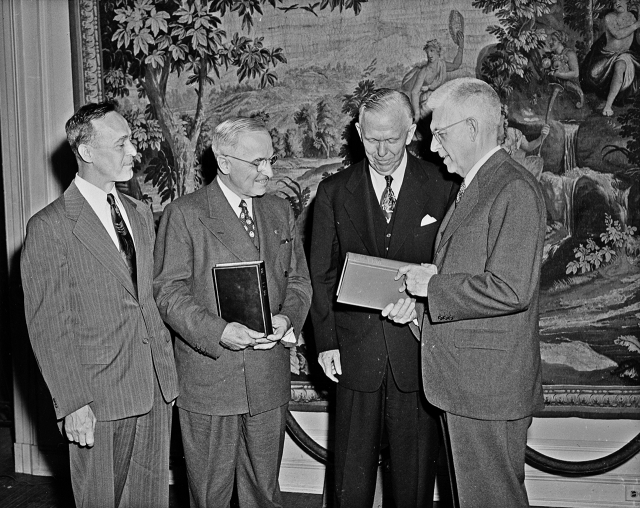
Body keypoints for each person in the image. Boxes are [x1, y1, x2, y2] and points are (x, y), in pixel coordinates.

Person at [389, 78, 546, 507]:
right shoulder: (480, 185)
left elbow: (512, 289)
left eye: (440, 133)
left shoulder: (512, 188)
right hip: (468, 384)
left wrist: (433, 287)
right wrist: (421, 312)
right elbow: (473, 280)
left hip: (487, 390)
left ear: (473, 128)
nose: (433, 146)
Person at [21, 102, 179, 507]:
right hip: (98, 400)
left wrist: (168, 376)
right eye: (122, 144)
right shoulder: (49, 227)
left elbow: (147, 300)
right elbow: (49, 327)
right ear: (87, 152)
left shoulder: (140, 214)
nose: (134, 153)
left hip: (153, 389)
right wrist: (73, 403)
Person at [309, 88, 457, 508]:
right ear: (358, 132)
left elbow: (452, 269)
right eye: (371, 139)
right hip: (355, 355)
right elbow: (319, 274)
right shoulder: (334, 192)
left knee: (413, 485)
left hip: (416, 353)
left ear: (411, 132)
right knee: (350, 485)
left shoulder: (443, 186)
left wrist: (425, 304)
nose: (381, 150)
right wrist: (326, 343)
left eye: (392, 139)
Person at [153, 117, 312, 508]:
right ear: (224, 162)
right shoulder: (185, 214)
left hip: (267, 376)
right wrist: (218, 331)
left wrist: (287, 318)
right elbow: (168, 293)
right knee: (210, 495)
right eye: (257, 162)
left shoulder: (279, 211)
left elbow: (299, 283)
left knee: (264, 494)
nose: (269, 172)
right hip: (211, 378)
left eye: (271, 160)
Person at [580, 0, 640, 116]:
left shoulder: (633, 17)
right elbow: (618, 35)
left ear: (627, 1)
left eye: (620, 0)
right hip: (607, 54)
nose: (617, 2)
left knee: (620, 66)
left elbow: (638, 40)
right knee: (593, 74)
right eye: (614, 1)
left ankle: (608, 106)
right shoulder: (609, 17)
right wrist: (636, 25)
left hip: (625, 54)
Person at [401, 36, 464, 121]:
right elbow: (414, 92)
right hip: (426, 102)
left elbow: (456, 65)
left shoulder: (442, 65)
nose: (429, 55)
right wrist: (417, 113)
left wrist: (461, 47)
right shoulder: (424, 71)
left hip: (439, 99)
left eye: (432, 51)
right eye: (427, 52)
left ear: (438, 52)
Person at [498, 105, 550, 180]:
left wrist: (542, 137)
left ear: (504, 118)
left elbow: (528, 147)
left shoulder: (515, 134)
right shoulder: (485, 137)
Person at [547, 30, 585, 109]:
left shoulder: (569, 54)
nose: (550, 42)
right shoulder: (553, 56)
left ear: (561, 41)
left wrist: (558, 74)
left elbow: (575, 73)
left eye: (554, 40)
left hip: (571, 87)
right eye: (550, 40)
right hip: (557, 87)